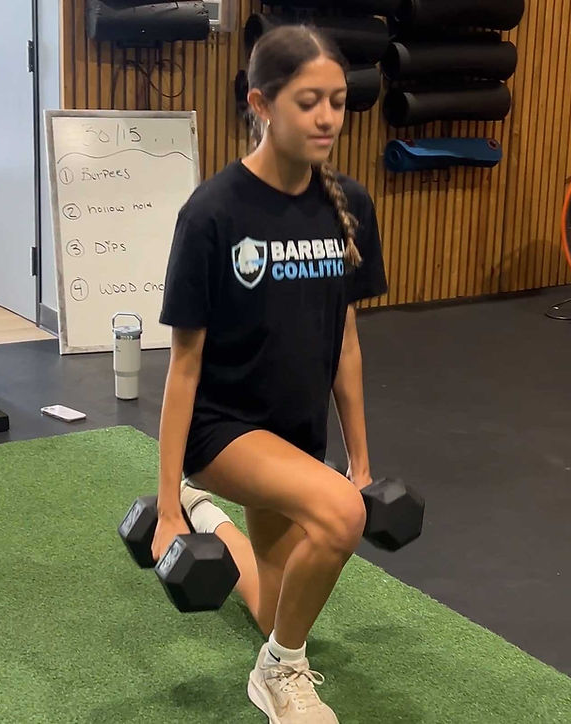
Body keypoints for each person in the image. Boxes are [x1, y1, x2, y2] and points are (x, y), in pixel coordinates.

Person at [151, 23, 388, 723]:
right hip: (224, 432)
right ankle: (280, 674)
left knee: (277, 605)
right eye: (308, 101)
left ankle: (215, 525)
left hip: (295, 433)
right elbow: (184, 365)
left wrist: (362, 459)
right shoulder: (213, 213)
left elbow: (345, 344)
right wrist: (166, 504)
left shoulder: (350, 209)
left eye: (338, 102)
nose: (327, 119)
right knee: (338, 518)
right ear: (261, 102)